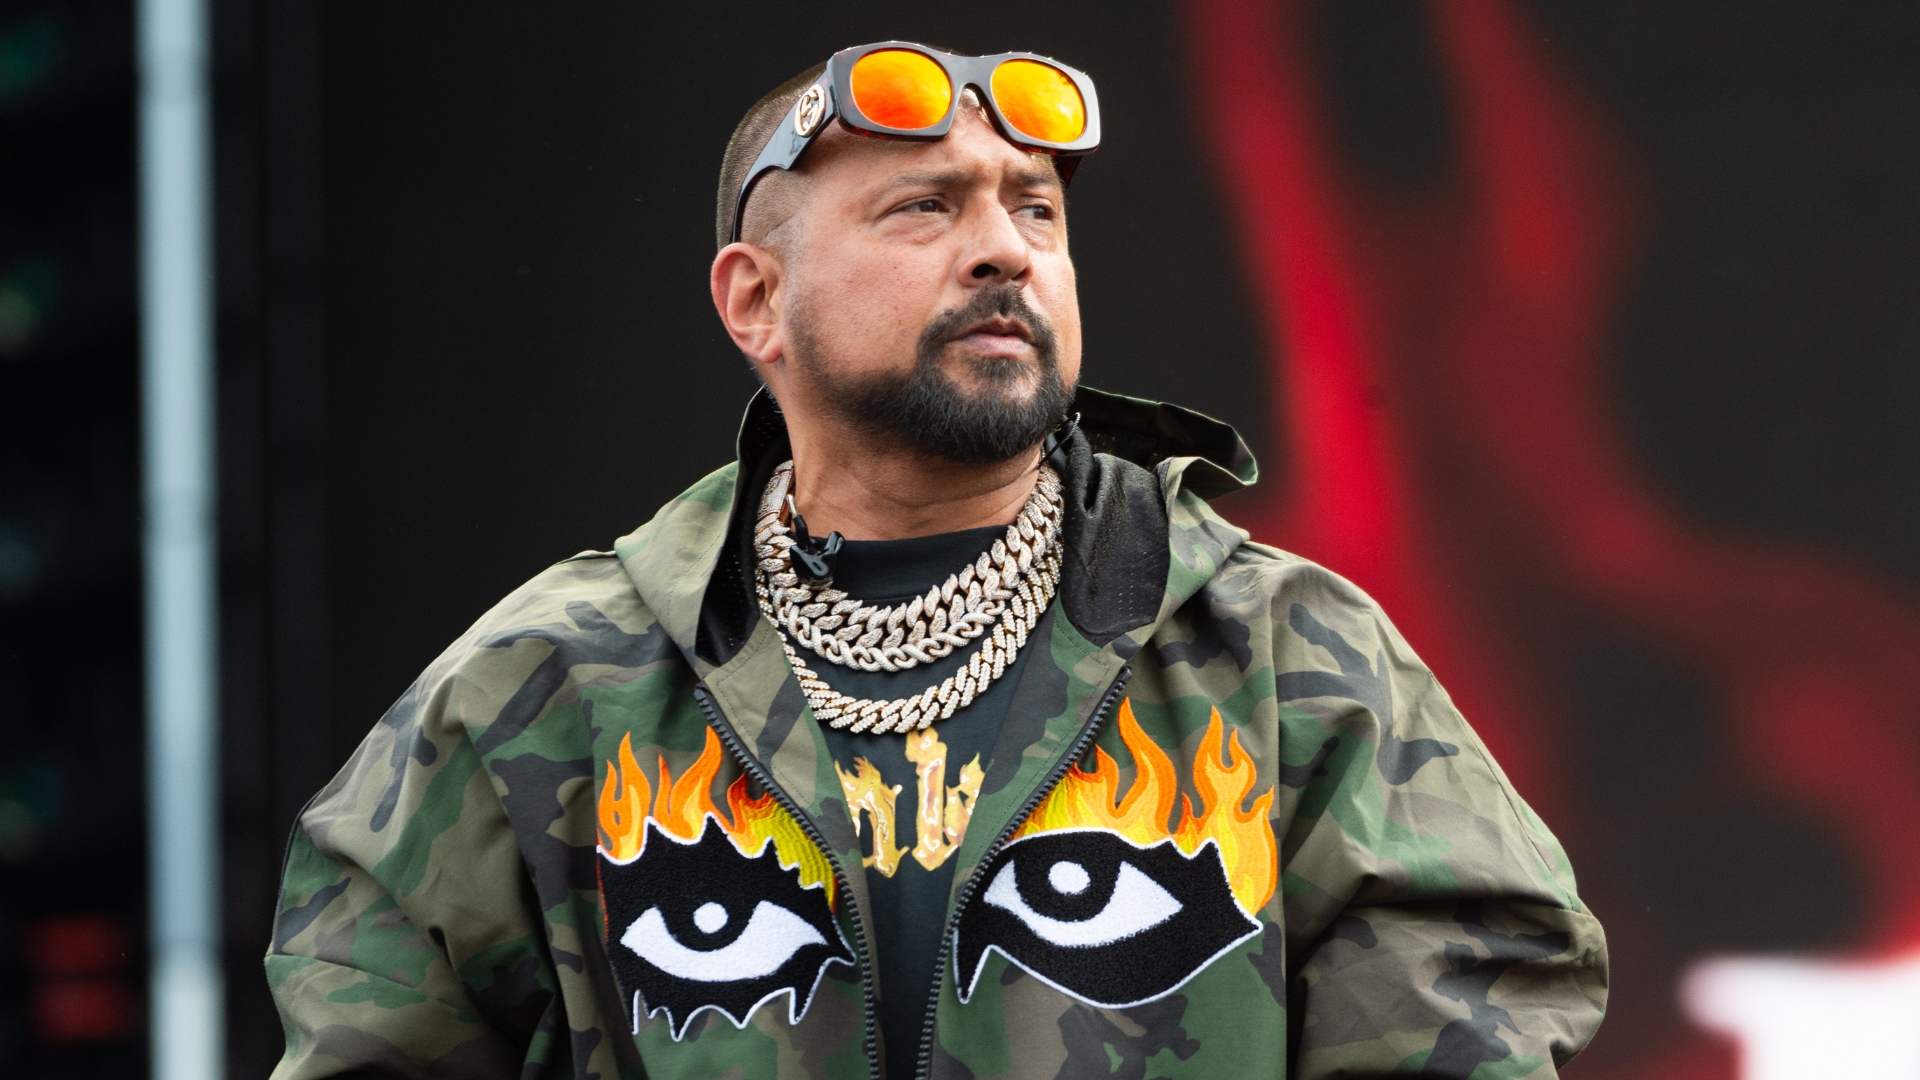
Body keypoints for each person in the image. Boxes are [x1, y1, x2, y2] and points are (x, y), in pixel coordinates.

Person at [265, 43, 1607, 1080]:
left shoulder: (1279, 654)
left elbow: (1470, 1022)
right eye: (924, 207)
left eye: (1037, 210)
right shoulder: (547, 687)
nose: (1005, 249)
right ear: (754, 301)